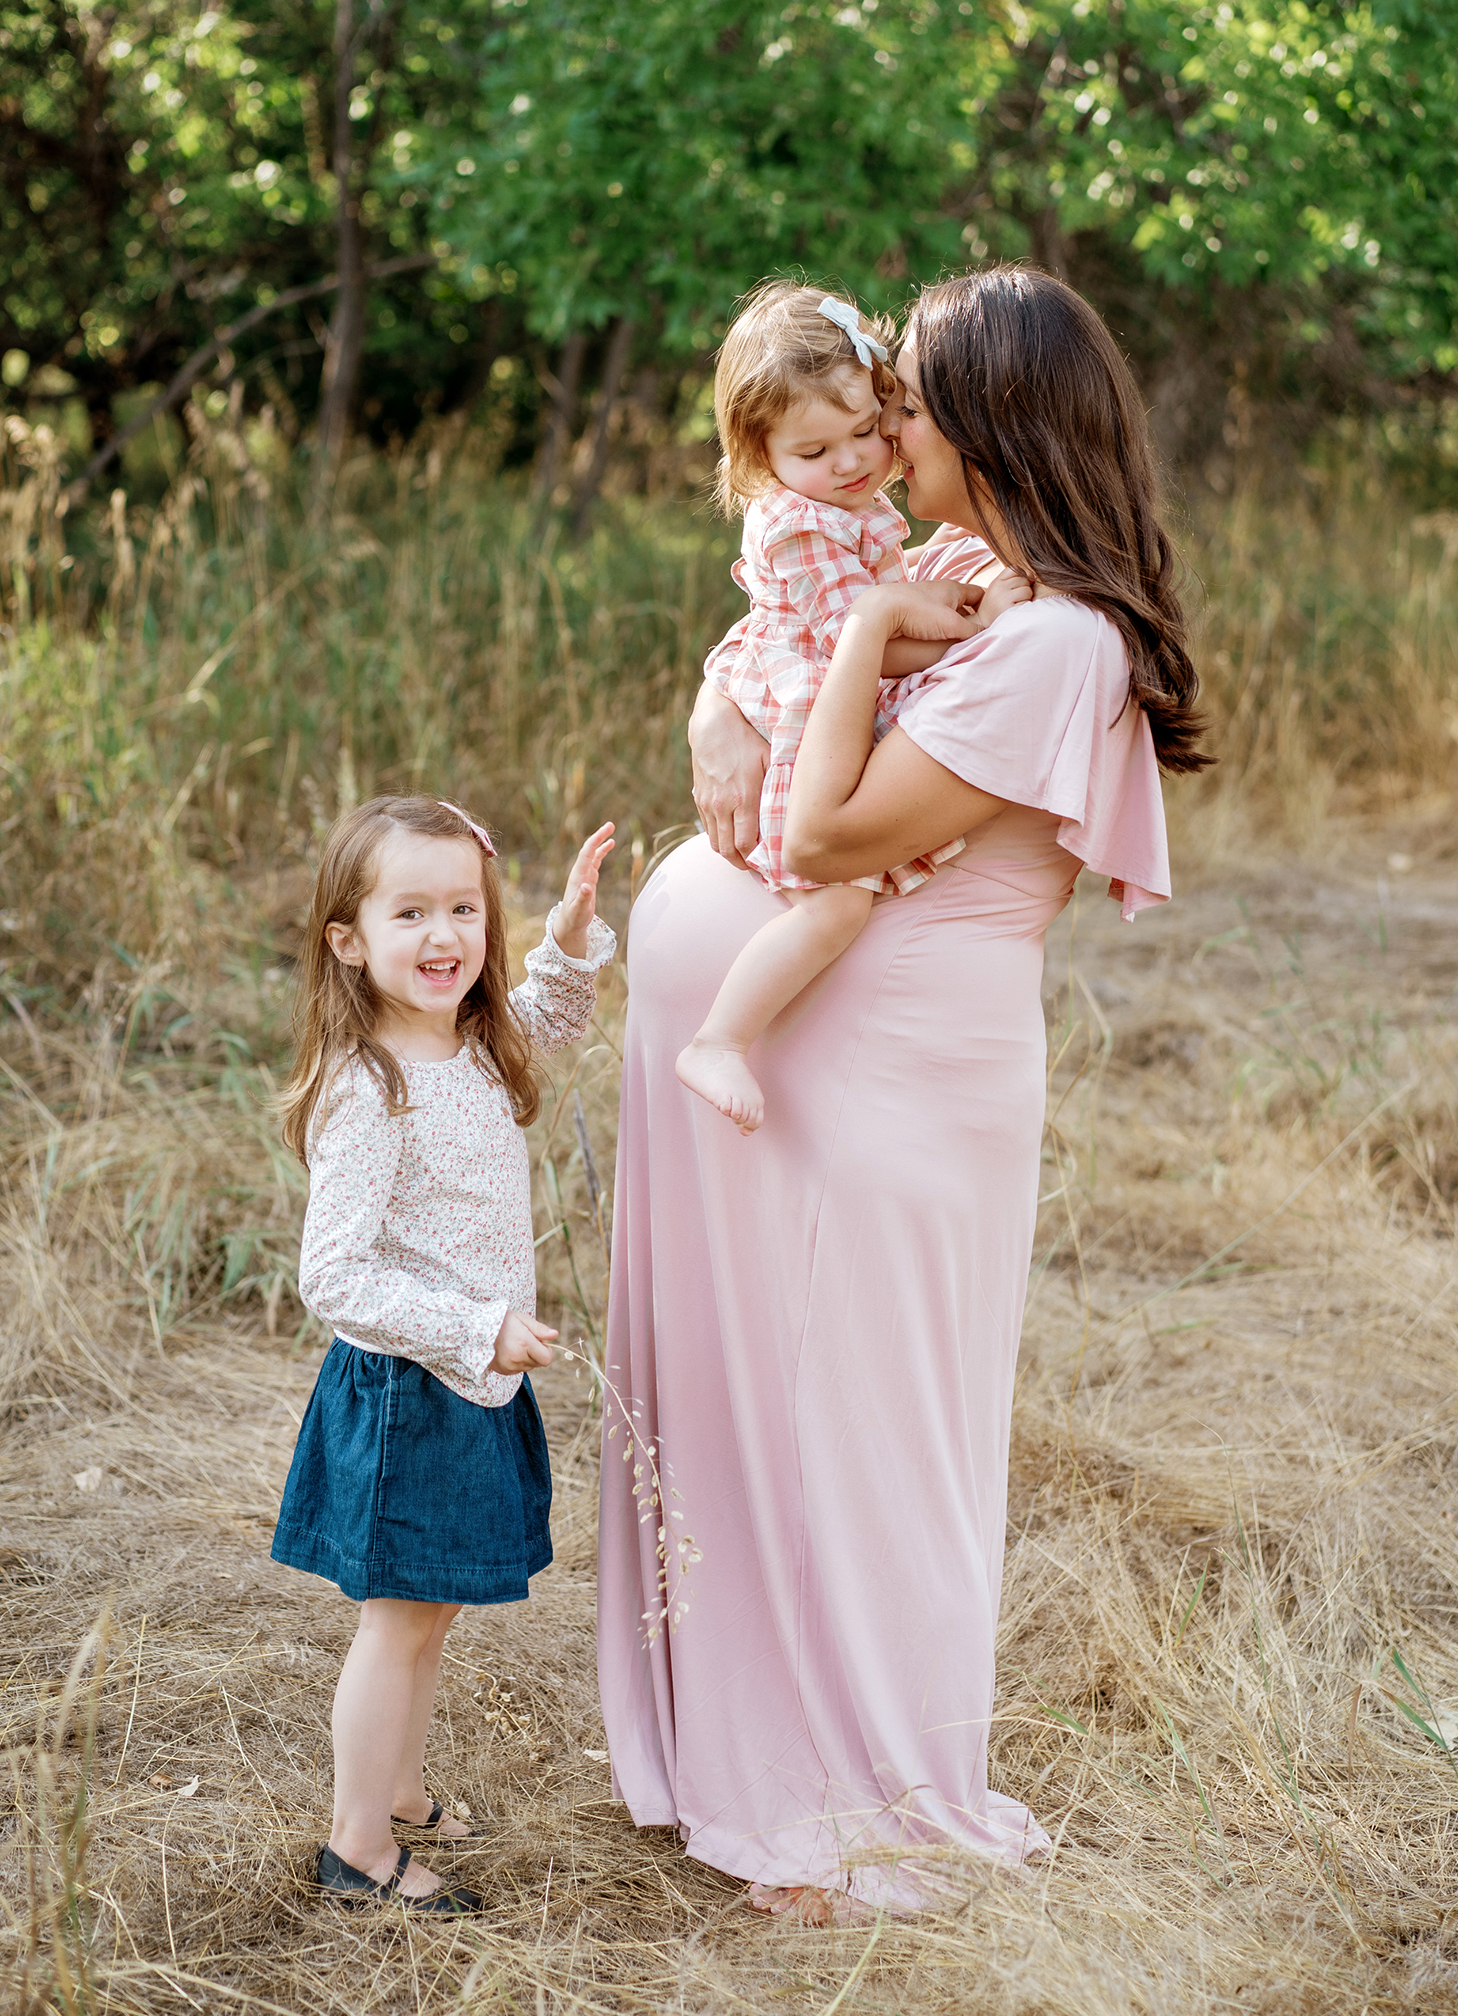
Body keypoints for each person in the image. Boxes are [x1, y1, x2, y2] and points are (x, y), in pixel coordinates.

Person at [598, 266, 1208, 1922]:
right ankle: (747, 1754)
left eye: (916, 406)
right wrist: (716, 699)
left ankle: (855, 1794)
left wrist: (859, 636)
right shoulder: (973, 584)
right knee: (755, 1426)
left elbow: (829, 838)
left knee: (864, 1444)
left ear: (996, 423)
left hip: (887, 1092)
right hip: (787, 1082)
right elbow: (783, 666)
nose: (889, 427)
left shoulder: (1058, 640)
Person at [271, 796, 615, 1913]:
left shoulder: (471, 1038)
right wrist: (478, 1327)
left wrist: (566, 932)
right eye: (409, 911)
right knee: (398, 1620)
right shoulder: (372, 1088)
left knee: (436, 1610)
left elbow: (552, 1016)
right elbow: (334, 1278)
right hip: (411, 1391)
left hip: (471, 1383)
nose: (443, 936)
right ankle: (356, 1845)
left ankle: (403, 1783)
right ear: (348, 939)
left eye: (463, 908)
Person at [676, 282, 1030, 1133]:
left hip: (828, 695)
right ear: (761, 460)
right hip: (810, 715)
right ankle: (720, 1039)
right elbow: (853, 643)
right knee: (836, 902)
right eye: (815, 449)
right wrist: (979, 630)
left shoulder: (855, 506)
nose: (851, 462)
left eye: (869, 430)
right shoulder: (799, 522)